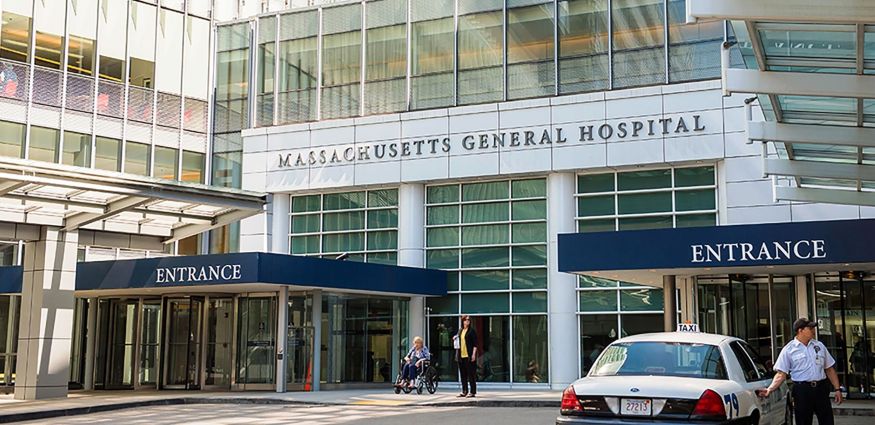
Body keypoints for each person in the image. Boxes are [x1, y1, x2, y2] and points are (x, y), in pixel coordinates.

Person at [758, 318, 843, 425]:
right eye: (810, 328)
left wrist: (837, 389)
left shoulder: (819, 346)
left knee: (827, 421)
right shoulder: (789, 349)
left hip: (821, 389)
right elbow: (781, 374)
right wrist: (770, 389)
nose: (813, 330)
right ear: (800, 330)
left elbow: (829, 369)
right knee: (803, 421)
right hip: (802, 390)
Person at [454, 314, 478, 398]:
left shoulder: (471, 331)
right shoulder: (460, 330)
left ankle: (472, 391)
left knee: (471, 374)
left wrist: (473, 354)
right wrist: (455, 338)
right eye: (466, 320)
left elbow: (475, 344)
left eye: (468, 320)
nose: (467, 321)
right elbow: (458, 339)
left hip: (469, 355)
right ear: (462, 321)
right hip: (461, 355)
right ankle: (464, 391)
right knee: (463, 374)